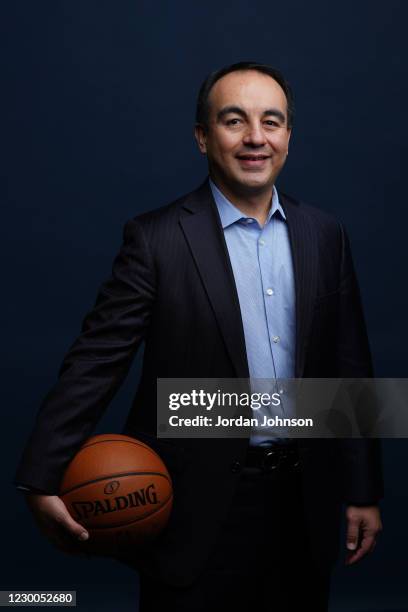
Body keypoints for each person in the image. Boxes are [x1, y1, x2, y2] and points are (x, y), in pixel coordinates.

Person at [15, 61, 383, 611]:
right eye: (234, 121)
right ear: (203, 137)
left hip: (304, 502)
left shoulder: (325, 234)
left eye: (271, 122)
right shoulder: (156, 238)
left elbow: (349, 366)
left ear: (288, 136)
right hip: (194, 508)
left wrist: (363, 490)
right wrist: (40, 476)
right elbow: (97, 361)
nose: (255, 138)